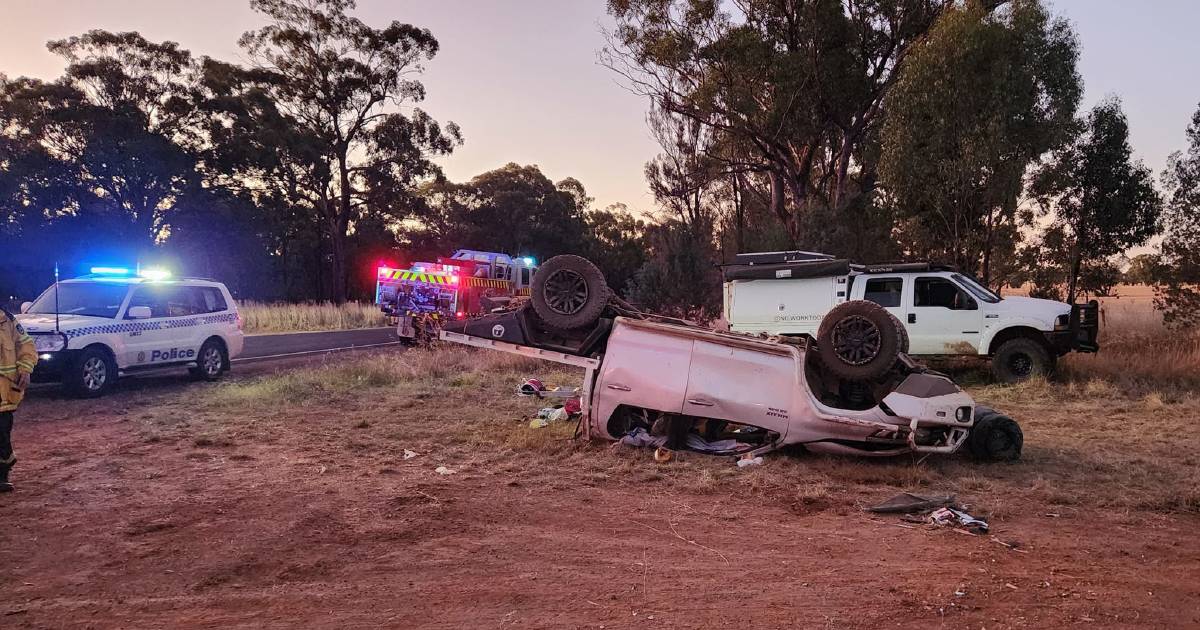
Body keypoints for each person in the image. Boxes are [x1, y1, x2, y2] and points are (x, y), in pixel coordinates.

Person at [0, 306, 37, 493]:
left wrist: (25, 367)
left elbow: (26, 345)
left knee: (2, 435)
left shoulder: (7, 319)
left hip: (5, 394)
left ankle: (2, 474)